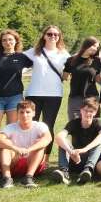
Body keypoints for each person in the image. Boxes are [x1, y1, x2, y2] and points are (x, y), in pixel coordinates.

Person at [23, 25, 69, 162]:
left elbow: (72, 69)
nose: (53, 37)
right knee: (31, 125)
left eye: (56, 34)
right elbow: (16, 58)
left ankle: (45, 159)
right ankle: (30, 156)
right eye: (49, 34)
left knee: (48, 126)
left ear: (59, 37)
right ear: (44, 36)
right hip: (33, 93)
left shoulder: (64, 54)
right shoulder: (34, 51)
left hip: (54, 94)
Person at [0, 29, 34, 138]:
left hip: (15, 98)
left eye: (10, 39)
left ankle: (8, 155)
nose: (7, 42)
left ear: (16, 41)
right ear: (1, 42)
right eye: (4, 40)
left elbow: (39, 65)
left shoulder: (22, 57)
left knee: (11, 133)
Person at [0, 100, 51, 188]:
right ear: (17, 113)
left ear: (34, 113)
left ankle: (28, 177)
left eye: (28, 112)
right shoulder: (11, 127)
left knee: (40, 145)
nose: (25, 115)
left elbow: (48, 138)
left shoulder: (40, 125)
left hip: (32, 162)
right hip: (14, 162)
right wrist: (16, 148)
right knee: (5, 146)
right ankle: (7, 178)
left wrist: (29, 149)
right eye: (21, 112)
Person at [52, 97, 101, 185]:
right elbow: (59, 137)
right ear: (81, 110)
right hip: (75, 158)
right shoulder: (74, 123)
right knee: (63, 141)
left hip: (93, 160)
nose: (88, 113)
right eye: (85, 110)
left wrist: (84, 149)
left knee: (98, 143)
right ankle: (64, 172)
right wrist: (71, 152)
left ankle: (87, 170)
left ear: (95, 112)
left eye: (91, 111)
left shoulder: (98, 122)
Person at [63, 37, 101, 122]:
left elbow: (99, 79)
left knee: (93, 125)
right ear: (86, 45)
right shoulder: (71, 60)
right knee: (74, 125)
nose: (95, 48)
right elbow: (65, 77)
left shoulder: (96, 60)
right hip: (75, 97)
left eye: (97, 47)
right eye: (94, 46)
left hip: (92, 97)